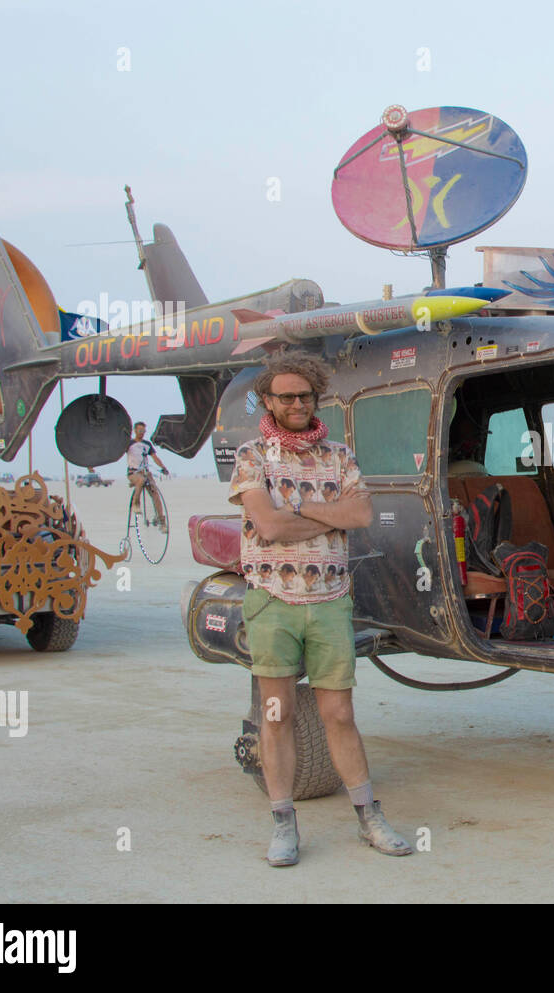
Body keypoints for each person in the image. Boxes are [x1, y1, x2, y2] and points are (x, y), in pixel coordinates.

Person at [228, 351, 412, 866]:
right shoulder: (252, 456)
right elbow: (267, 526)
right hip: (272, 602)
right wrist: (329, 519)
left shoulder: (339, 455)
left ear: (316, 397)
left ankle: (368, 816)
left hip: (330, 601)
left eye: (304, 395)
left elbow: (361, 513)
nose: (296, 403)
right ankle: (283, 823)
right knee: (277, 712)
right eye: (285, 396)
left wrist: (301, 509)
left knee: (339, 712)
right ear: (268, 400)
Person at [126, 422, 169, 531]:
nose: (142, 433)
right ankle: (136, 503)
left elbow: (155, 458)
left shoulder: (147, 444)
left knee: (155, 494)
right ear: (135, 431)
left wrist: (163, 467)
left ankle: (162, 522)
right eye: (140, 431)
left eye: (144, 431)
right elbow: (118, 452)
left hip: (146, 472)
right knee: (140, 480)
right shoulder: (129, 443)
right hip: (133, 472)